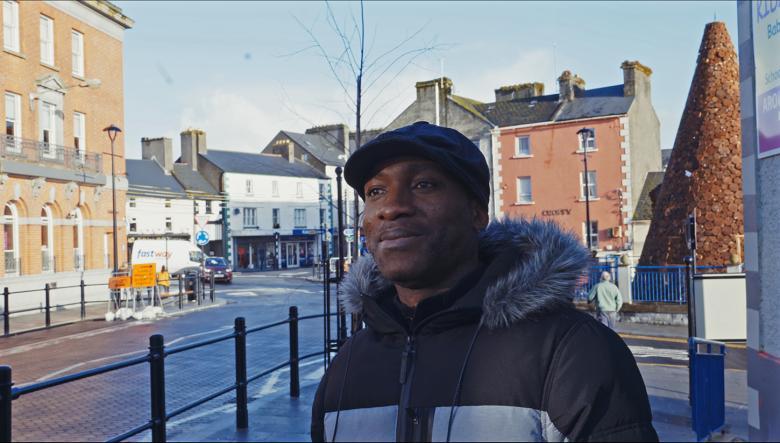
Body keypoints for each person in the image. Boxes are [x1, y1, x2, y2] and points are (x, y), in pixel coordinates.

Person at [311, 122, 657, 442]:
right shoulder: (347, 367)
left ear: (477, 213)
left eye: (424, 184)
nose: (392, 207)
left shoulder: (570, 352)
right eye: (375, 191)